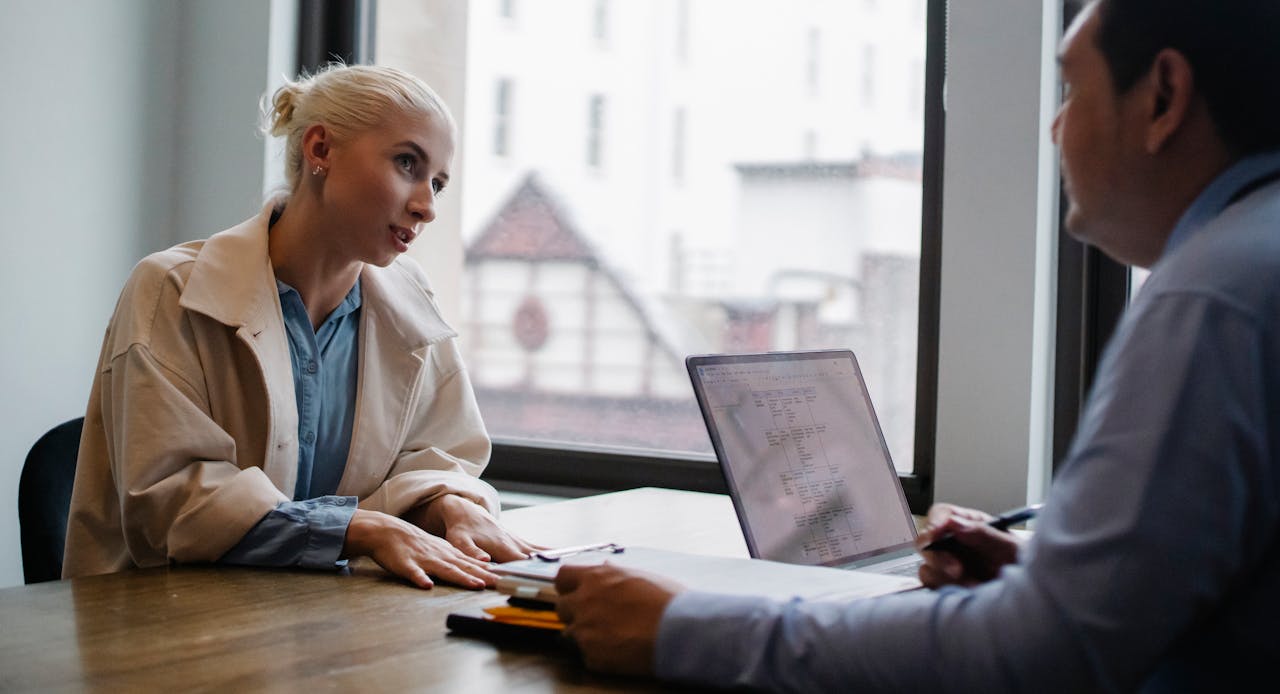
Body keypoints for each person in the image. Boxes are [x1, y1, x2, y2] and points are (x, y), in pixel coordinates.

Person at [554, 0, 1280, 690]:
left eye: (1071, 88)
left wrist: (680, 628)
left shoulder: (1216, 294)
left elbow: (1047, 658)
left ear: (1162, 97)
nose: (1055, 129)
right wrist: (1053, 578)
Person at [63, 64, 536, 589]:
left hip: (326, 632)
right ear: (320, 150)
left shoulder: (412, 302)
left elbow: (441, 454)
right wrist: (358, 529)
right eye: (408, 163)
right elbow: (171, 506)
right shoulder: (169, 290)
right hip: (165, 631)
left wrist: (451, 505)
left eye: (438, 184)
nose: (426, 207)